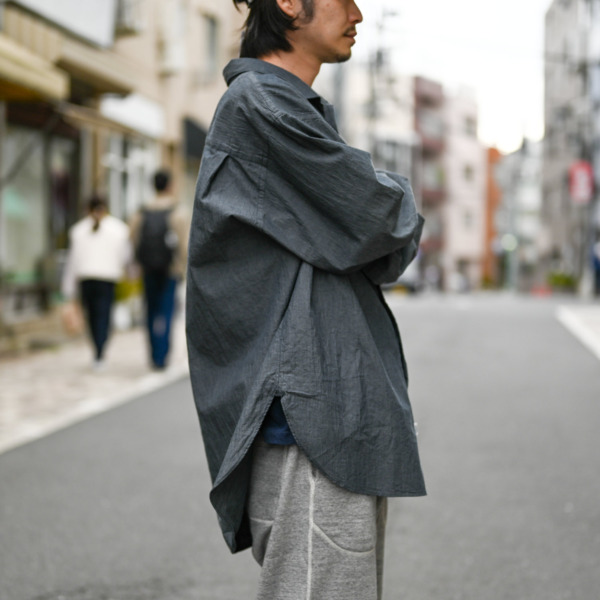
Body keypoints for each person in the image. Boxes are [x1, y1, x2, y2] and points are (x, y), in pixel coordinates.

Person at [186, 1, 426, 598]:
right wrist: (386, 198)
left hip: (319, 410)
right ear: (289, 2)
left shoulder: (289, 107)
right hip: (310, 414)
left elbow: (375, 238)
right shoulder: (262, 106)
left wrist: (372, 211)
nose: (359, 14)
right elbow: (382, 218)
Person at [62, 195, 131, 370]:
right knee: (103, 315)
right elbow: (125, 256)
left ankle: (98, 349)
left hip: (87, 280)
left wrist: (68, 287)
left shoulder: (78, 230)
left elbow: (72, 262)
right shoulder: (118, 229)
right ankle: (100, 350)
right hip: (107, 280)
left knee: (92, 316)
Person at [131, 169, 188, 370]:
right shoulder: (177, 212)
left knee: (150, 311)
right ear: (170, 185)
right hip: (169, 270)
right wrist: (182, 268)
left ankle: (153, 354)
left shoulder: (141, 212)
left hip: (147, 269)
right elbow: (184, 245)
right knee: (166, 311)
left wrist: (137, 264)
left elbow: (133, 240)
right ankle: (163, 355)